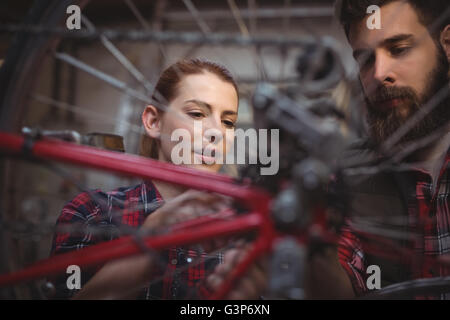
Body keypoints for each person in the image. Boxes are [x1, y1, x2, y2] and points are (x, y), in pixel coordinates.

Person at [49, 58, 265, 299]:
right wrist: (151, 237)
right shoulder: (91, 214)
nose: (216, 132)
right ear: (153, 122)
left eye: (228, 122)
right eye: (196, 114)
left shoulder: (245, 230)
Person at [329, 0, 450, 298]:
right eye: (366, 59)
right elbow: (337, 285)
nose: (379, 73)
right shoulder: (349, 175)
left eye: (399, 49)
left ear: (447, 45)